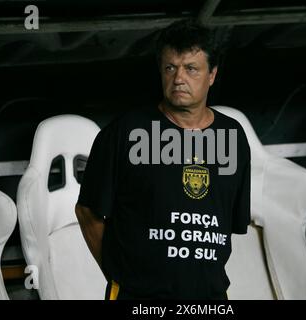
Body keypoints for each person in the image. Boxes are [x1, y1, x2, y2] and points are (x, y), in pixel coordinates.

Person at [75, 18, 251, 300]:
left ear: (212, 75)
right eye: (170, 68)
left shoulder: (233, 136)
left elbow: (228, 224)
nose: (179, 78)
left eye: (191, 69)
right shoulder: (126, 133)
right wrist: (118, 275)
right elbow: (88, 212)